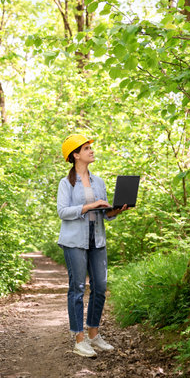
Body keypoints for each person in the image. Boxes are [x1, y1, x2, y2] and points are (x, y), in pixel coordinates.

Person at [57, 134, 128, 358]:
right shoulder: (66, 183)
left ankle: (94, 335)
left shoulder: (99, 182)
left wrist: (116, 210)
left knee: (99, 288)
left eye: (90, 148)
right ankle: (79, 340)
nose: (91, 151)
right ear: (75, 155)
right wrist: (88, 206)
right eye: (86, 148)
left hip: (97, 240)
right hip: (74, 242)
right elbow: (63, 211)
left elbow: (104, 214)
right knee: (77, 289)